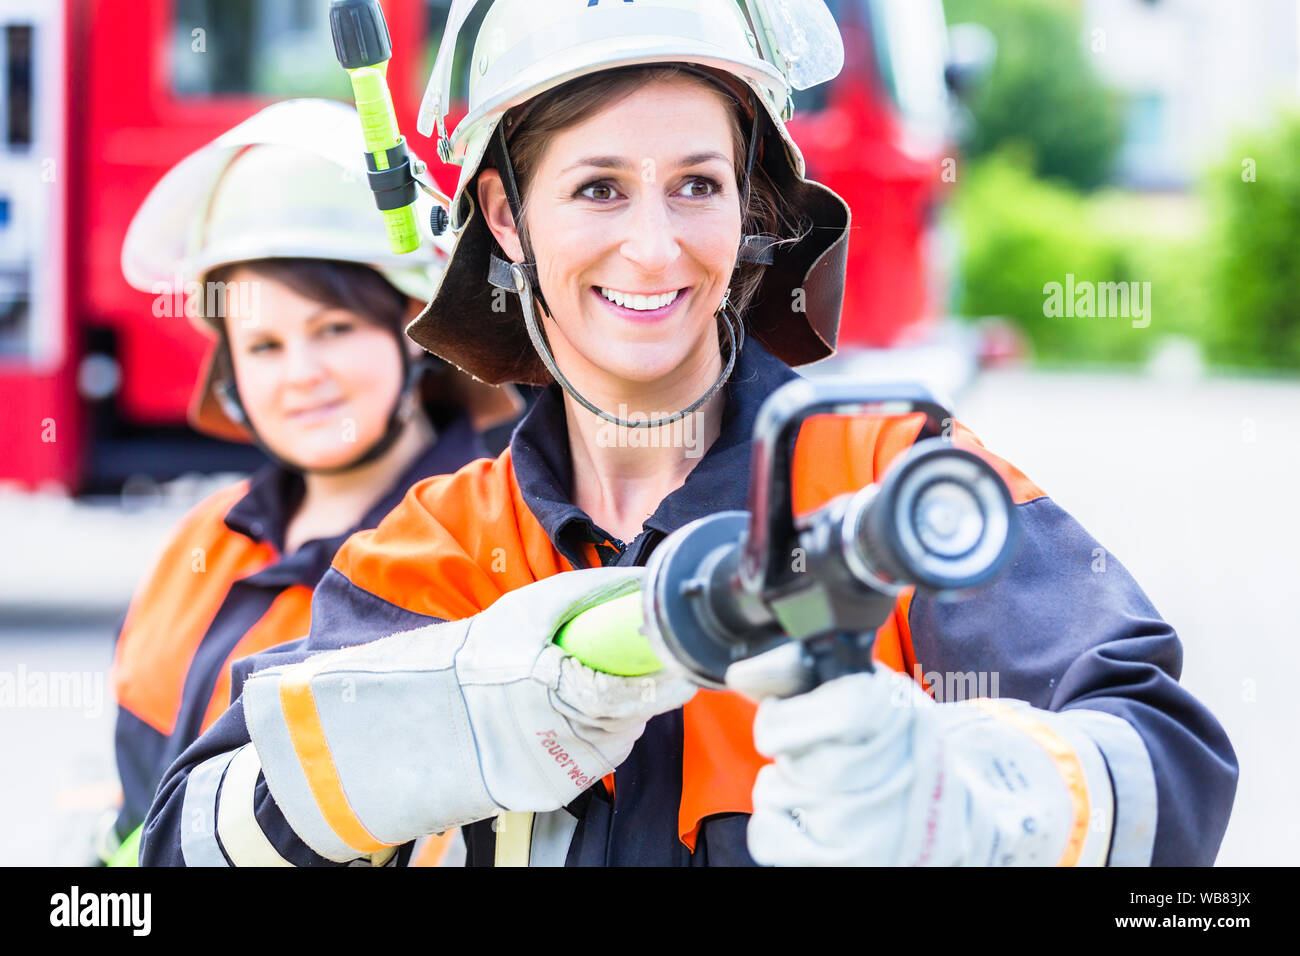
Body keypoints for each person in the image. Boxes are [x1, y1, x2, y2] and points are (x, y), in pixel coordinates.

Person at [141, 0, 1235, 867]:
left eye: (697, 185)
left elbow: (1169, 766)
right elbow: (189, 836)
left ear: (752, 206)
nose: (657, 250)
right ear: (508, 218)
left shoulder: (884, 474)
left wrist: (975, 807)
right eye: (600, 189)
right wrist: (453, 712)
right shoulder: (438, 547)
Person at [100, 98, 518, 865]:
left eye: (334, 329)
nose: (303, 376)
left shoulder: (491, 546)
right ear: (227, 371)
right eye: (263, 345)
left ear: (414, 326)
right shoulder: (207, 539)